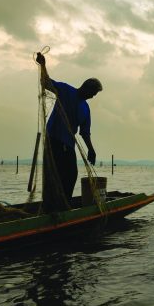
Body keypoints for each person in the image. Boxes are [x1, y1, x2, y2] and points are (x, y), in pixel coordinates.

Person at [35, 53, 102, 211]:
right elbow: (45, 83)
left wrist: (91, 150)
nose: (93, 96)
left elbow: (85, 133)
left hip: (68, 145)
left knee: (71, 175)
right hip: (54, 141)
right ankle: (51, 208)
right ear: (85, 87)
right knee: (54, 176)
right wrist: (43, 65)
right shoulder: (65, 90)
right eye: (93, 92)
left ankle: (63, 206)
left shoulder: (85, 108)